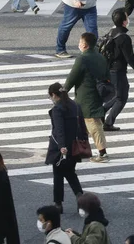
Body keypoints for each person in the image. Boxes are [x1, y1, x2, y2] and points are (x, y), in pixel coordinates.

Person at [64, 33, 110, 163]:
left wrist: (63, 91)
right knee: (84, 126)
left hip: (86, 97)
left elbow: (72, 77)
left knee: (94, 125)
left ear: (84, 44)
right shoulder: (100, 57)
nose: (79, 43)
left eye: (80, 41)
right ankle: (79, 151)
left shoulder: (82, 59)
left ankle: (103, 153)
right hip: (97, 94)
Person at [102, 8, 134, 132]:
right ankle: (108, 122)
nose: (128, 19)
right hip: (118, 71)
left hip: (109, 69)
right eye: (127, 17)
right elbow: (130, 58)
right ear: (124, 22)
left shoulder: (111, 32)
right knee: (122, 98)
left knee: (119, 94)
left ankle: (102, 112)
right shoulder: (124, 38)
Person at [46, 82, 85, 213]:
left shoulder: (58, 109)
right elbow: (82, 125)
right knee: (70, 173)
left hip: (61, 147)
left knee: (58, 175)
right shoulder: (75, 105)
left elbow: (59, 129)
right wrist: (83, 140)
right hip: (74, 146)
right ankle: (80, 196)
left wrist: (62, 146)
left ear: (53, 95)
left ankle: (58, 204)